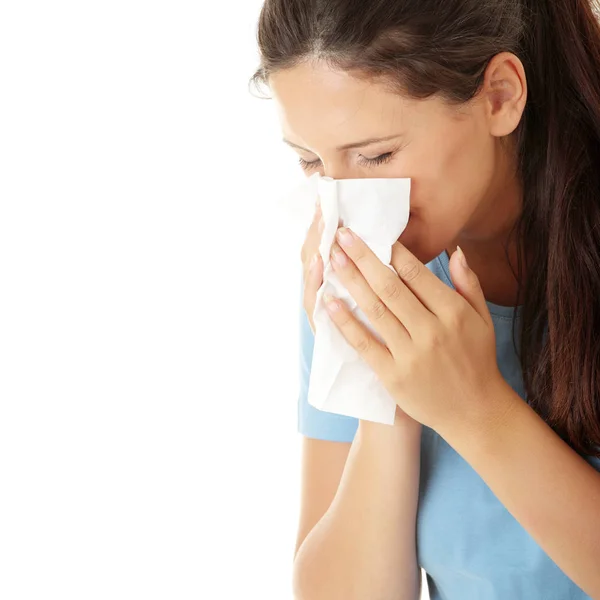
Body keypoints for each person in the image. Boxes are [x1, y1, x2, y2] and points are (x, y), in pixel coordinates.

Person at [251, 1, 600, 599]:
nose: (346, 209)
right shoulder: (353, 278)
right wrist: (391, 393)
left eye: (378, 156)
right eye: (313, 162)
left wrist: (475, 410)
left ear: (498, 97)